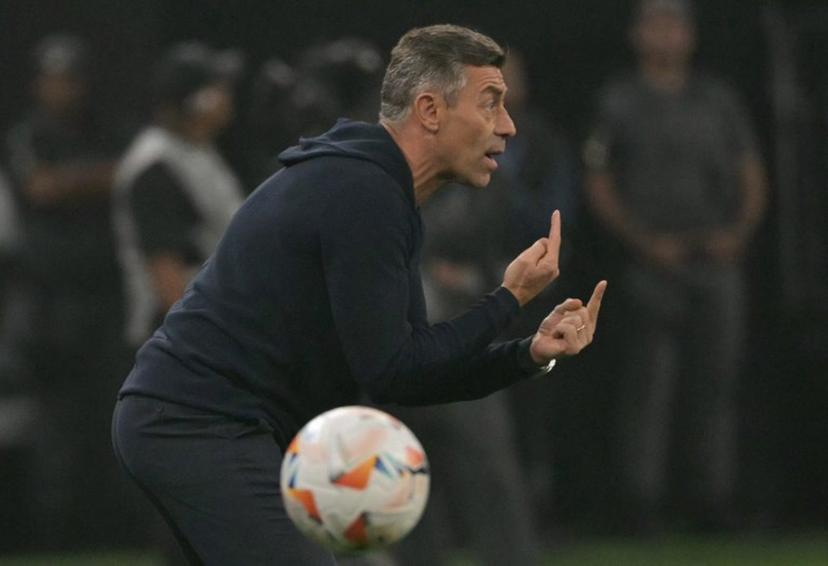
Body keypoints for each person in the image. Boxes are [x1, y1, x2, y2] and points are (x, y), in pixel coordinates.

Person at [112, 24, 607, 565]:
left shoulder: (377, 186)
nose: (508, 127)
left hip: (205, 424)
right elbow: (390, 370)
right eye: (490, 104)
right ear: (430, 110)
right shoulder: (364, 191)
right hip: (197, 425)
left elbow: (413, 371)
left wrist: (528, 353)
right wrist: (508, 299)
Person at [583, 0, 766, 532]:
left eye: (676, 25)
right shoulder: (618, 101)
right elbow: (597, 178)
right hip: (651, 262)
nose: (667, 35)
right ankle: (641, 503)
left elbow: (751, 169)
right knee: (649, 385)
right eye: (656, 24)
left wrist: (740, 232)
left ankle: (713, 499)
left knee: (717, 383)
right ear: (637, 35)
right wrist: (640, 240)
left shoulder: (718, 100)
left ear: (691, 35)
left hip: (716, 259)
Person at [4, 34, 129, 549]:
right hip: (49, 306)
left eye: (72, 78)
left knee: (112, 421)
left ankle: (112, 536)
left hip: (105, 298)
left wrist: (75, 180)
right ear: (39, 84)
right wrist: (99, 177)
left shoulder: (105, 129)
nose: (65, 89)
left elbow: (128, 171)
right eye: (56, 78)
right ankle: (51, 543)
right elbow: (40, 186)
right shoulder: (29, 134)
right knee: (55, 432)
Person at [113, 42, 244, 349]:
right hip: (175, 341)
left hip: (206, 327)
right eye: (217, 87)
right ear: (197, 101)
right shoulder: (155, 167)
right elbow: (166, 276)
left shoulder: (196, 151)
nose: (226, 95)